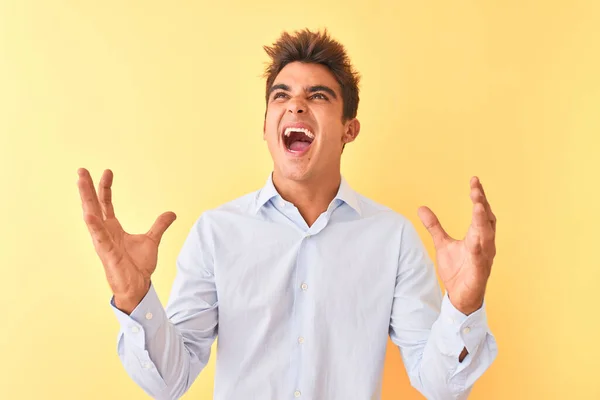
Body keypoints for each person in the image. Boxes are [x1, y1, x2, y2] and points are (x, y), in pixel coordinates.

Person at [77, 28, 498, 400]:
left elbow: (441, 387)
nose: (296, 106)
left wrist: (463, 305)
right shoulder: (216, 233)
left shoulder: (393, 238)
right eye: (282, 95)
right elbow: (170, 382)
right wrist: (134, 299)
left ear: (348, 129)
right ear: (266, 126)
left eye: (317, 95)